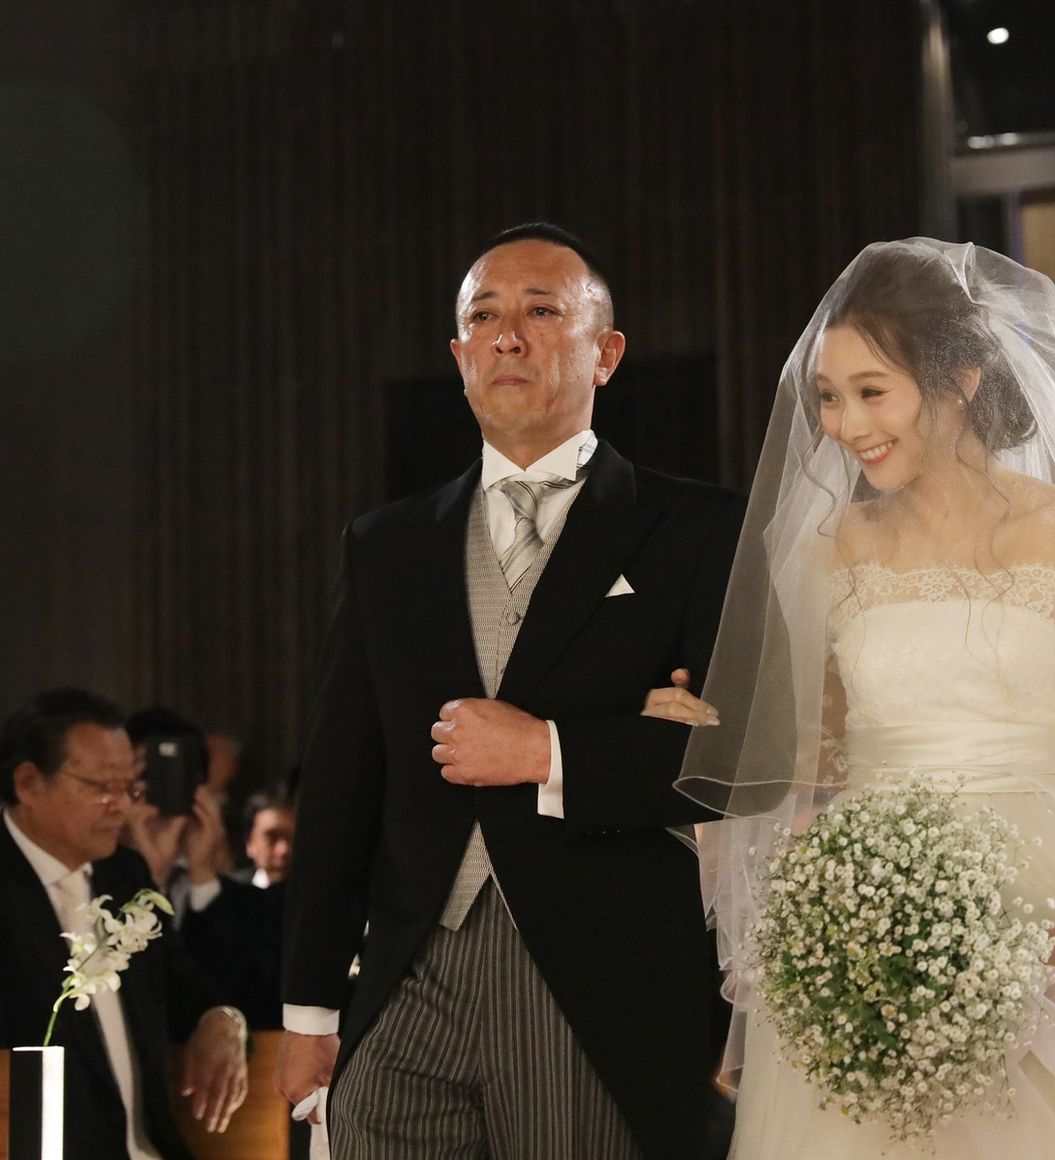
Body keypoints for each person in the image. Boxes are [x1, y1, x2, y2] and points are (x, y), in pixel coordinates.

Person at [676, 237, 1055, 1158]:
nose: (846, 424)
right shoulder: (834, 548)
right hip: (868, 929)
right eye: (828, 397)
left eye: (872, 391)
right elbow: (811, 758)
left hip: (1051, 911)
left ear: (960, 381)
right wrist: (710, 733)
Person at [276, 222, 747, 1159]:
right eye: (484, 318)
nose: (507, 337)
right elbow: (339, 782)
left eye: (541, 312)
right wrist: (309, 1006)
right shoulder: (384, 545)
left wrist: (550, 752)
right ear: (459, 357)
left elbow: (736, 757)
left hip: (593, 980)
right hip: (408, 976)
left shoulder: (699, 528)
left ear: (606, 353)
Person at [0, 687, 249, 1160]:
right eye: (102, 787)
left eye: (129, 787)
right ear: (29, 783)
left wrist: (222, 1020)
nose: (122, 805)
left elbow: (183, 986)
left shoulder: (124, 873)